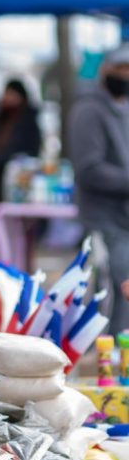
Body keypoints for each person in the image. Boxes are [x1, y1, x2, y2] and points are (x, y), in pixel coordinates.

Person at [69, 44, 129, 336]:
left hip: (123, 219)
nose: (127, 75)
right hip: (103, 220)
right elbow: (88, 169)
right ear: (106, 69)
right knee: (115, 290)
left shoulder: (123, 108)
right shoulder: (88, 110)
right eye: (122, 68)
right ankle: (113, 360)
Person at [0, 79, 43, 208]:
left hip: (17, 187)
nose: (6, 98)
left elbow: (20, 155)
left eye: (11, 94)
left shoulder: (27, 123)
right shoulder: (0, 119)